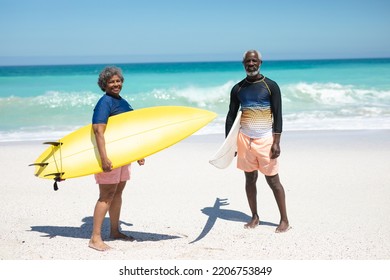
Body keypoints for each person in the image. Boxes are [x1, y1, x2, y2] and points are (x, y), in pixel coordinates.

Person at [225, 50, 290, 233]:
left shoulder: (271, 86)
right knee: (250, 178)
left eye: (254, 60)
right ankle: (254, 216)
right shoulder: (238, 89)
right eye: (248, 61)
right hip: (245, 139)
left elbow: (278, 115)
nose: (251, 64)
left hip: (265, 139)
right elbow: (231, 116)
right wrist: (229, 144)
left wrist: (276, 141)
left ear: (260, 62)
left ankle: (284, 220)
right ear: (243, 63)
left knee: (273, 181)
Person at [89, 66, 145, 251]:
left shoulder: (122, 102)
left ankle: (115, 231)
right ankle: (95, 238)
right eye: (111, 82)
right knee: (106, 195)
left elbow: (129, 130)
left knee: (118, 193)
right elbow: (98, 130)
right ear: (104, 85)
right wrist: (104, 158)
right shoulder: (105, 102)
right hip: (109, 156)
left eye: (118, 81)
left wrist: (138, 153)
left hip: (123, 155)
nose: (116, 84)